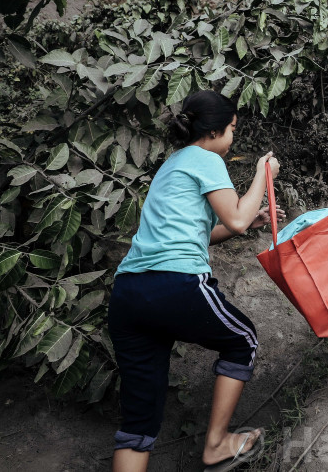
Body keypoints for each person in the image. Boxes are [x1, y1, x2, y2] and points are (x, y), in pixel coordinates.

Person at [108, 90, 281, 472]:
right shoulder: (207, 158)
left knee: (138, 422)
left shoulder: (172, 165)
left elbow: (203, 233)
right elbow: (235, 217)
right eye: (232, 129)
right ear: (215, 130)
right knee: (244, 340)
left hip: (128, 294)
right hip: (175, 285)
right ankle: (217, 445)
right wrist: (261, 174)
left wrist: (248, 222)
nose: (233, 137)